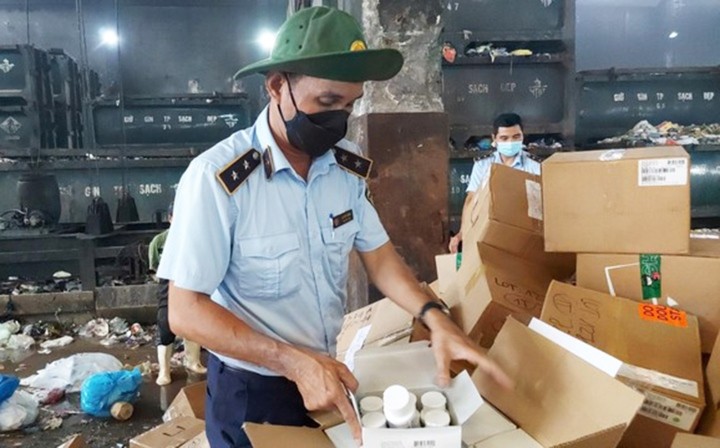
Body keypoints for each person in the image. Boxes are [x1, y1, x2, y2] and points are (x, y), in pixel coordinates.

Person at [157, 6, 511, 447]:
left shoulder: (344, 168)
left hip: (326, 377)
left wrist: (433, 316)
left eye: (349, 105)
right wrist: (293, 363)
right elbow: (185, 311)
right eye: (326, 103)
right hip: (252, 393)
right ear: (276, 86)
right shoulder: (219, 179)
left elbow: (380, 258)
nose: (338, 120)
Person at [448, 113, 541, 253]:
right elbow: (471, 200)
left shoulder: (535, 166)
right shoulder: (483, 165)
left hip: (524, 235)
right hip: (489, 233)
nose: (510, 142)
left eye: (516, 137)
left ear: (523, 136)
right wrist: (462, 233)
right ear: (494, 138)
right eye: (504, 138)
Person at [148, 201, 207, 386]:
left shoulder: (195, 239)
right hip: (167, 286)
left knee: (193, 324)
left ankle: (193, 361)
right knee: (165, 325)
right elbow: (153, 266)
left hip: (191, 285)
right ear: (170, 218)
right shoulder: (159, 242)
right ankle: (164, 371)